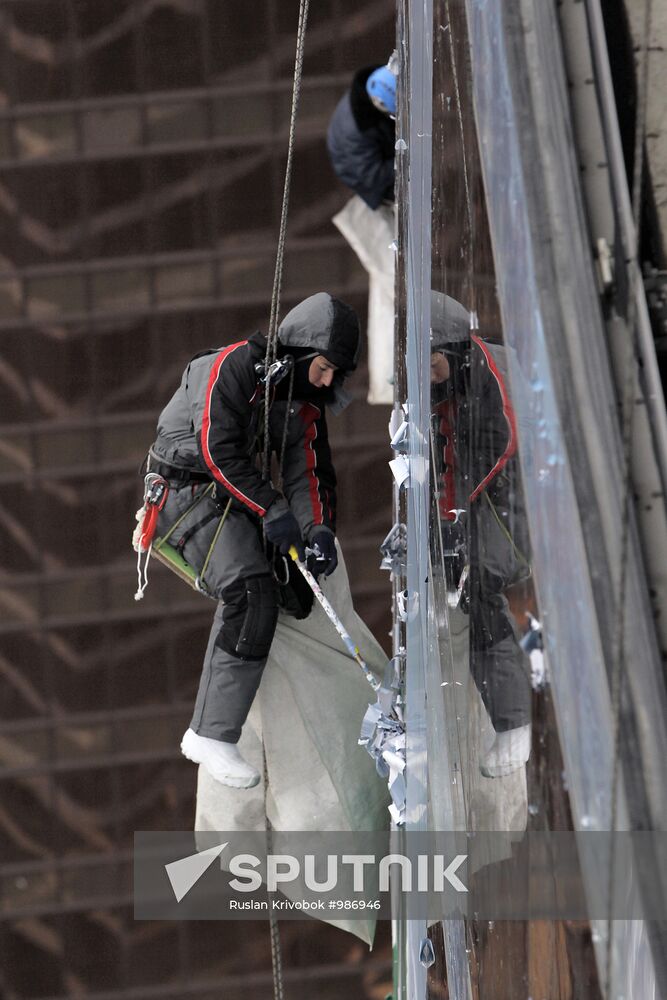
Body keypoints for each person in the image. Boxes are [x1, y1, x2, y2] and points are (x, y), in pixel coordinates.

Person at [142, 293, 360, 789]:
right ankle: (212, 733)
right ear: (301, 353)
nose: (328, 382)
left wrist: (316, 530)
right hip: (182, 493)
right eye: (324, 368)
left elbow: (307, 472)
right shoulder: (231, 369)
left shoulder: (304, 403)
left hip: (233, 498)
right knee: (250, 590)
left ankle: (274, 717)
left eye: (335, 374)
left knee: (293, 593)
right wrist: (270, 508)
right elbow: (216, 451)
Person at [430, 292, 533, 778]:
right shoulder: (459, 378)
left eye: (432, 364)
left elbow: (500, 443)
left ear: (450, 350)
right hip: (500, 500)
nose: (429, 376)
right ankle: (509, 723)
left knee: (477, 588)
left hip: (520, 502)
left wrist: (456, 515)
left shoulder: (491, 374)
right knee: (468, 587)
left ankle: (514, 727)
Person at [327, 62, 396, 210]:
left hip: (374, 157)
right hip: (370, 180)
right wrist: (410, 159)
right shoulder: (354, 132)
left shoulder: (370, 88)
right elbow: (373, 176)